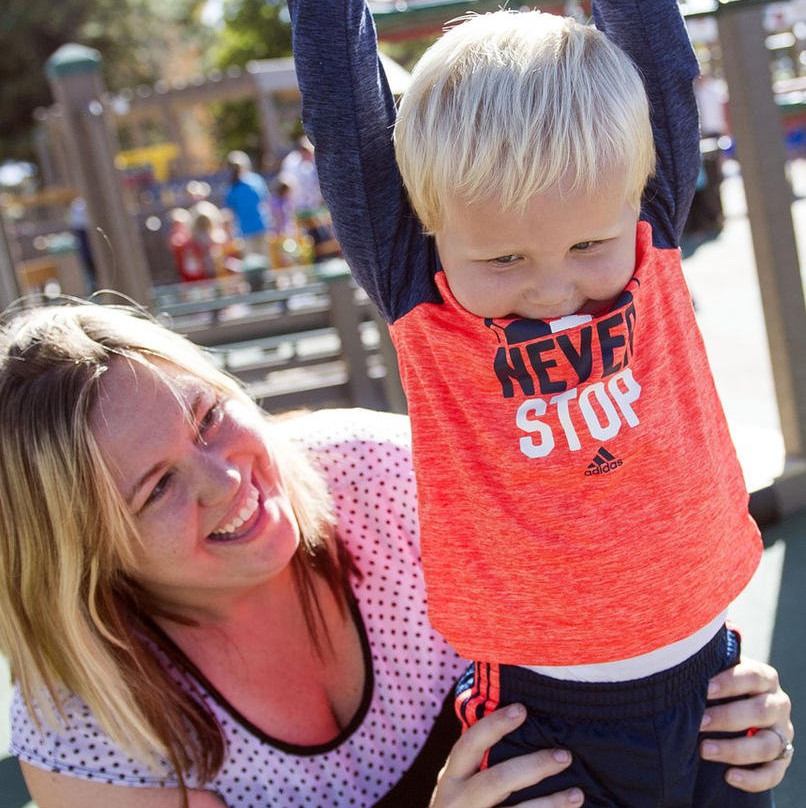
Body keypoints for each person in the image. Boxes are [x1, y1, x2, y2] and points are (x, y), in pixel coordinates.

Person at [289, 0, 793, 804]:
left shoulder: (652, 231)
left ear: (634, 196)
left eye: (588, 245)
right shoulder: (419, 290)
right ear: (432, 231)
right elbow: (341, 108)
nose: (553, 290)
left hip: (711, 691)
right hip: (547, 725)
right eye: (504, 259)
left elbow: (655, 48)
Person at [0, 302, 794, 808]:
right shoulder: (85, 731)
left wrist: (709, 701)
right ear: (83, 555)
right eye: (157, 488)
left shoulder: (388, 476)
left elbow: (614, 611)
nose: (224, 478)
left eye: (209, 417)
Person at [223, 150, 270, 257]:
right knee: (253, 261)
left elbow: (266, 201)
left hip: (260, 225)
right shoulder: (232, 187)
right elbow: (230, 211)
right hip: (245, 231)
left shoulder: (255, 180)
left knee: (263, 259)